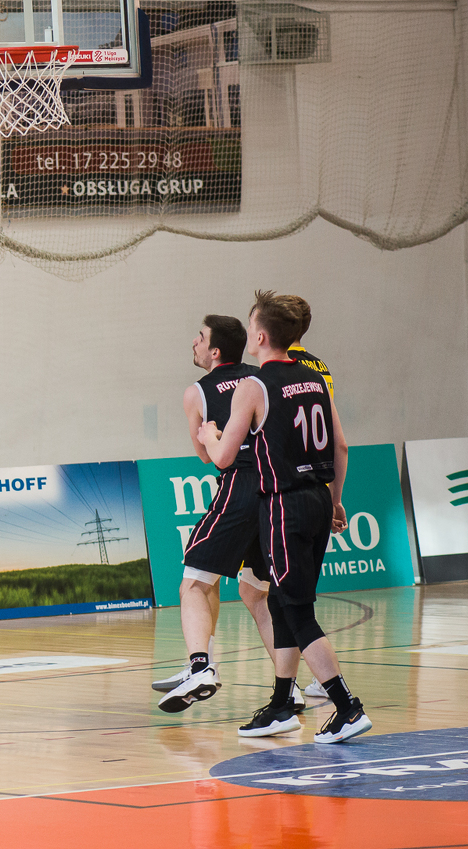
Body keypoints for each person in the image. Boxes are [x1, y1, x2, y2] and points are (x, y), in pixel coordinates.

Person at [197, 292, 372, 744]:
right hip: (318, 499)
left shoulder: (253, 387)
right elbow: (341, 446)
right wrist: (336, 500)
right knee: (278, 602)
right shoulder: (315, 379)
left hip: (283, 505)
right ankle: (281, 705)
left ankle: (347, 707)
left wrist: (209, 433)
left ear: (259, 336)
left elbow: (223, 458)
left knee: (295, 610)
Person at [155, 317, 306, 723]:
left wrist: (210, 437)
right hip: (276, 488)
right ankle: (288, 689)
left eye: (200, 337)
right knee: (256, 594)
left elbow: (207, 456)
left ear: (215, 351)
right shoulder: (262, 378)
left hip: (240, 485)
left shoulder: (197, 392)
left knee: (194, 582)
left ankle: (201, 666)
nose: (194, 342)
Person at [279, 293, 332, 702]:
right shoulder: (320, 368)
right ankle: (291, 688)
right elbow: (335, 436)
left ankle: (292, 688)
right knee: (292, 595)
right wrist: (334, 494)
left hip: (288, 488)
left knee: (284, 598)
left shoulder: (275, 373)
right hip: (320, 481)